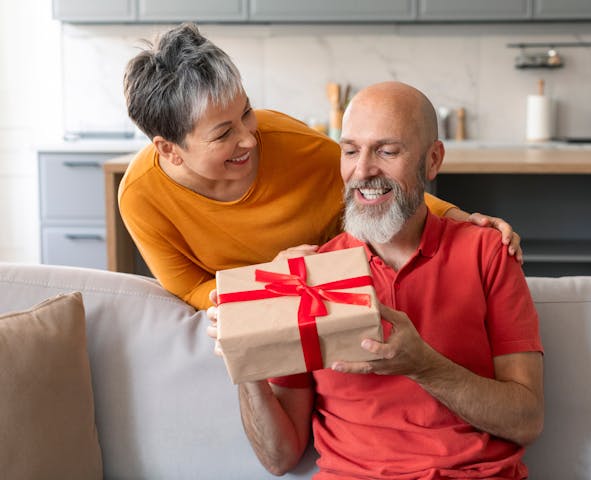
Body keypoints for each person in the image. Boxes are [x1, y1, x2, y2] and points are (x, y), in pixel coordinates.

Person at [208, 82, 544, 479]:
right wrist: (245, 359)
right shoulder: (307, 277)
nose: (363, 170)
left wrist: (424, 366)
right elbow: (279, 458)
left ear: (432, 160)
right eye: (350, 150)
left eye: (386, 151)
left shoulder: (487, 253)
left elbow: (526, 420)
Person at [120, 23, 522, 311]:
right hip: (254, 313)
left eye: (247, 112)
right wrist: (268, 279)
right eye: (223, 133)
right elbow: (190, 288)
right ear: (170, 150)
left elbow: (375, 187)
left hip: (344, 288)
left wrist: (460, 219)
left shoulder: (296, 146)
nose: (248, 137)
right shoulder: (142, 197)